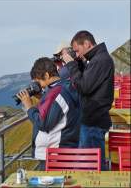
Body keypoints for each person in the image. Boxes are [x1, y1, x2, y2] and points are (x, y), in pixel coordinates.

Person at [62, 30, 114, 170]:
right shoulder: (98, 59)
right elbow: (87, 82)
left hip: (93, 122)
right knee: (90, 167)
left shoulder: (101, 60)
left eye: (77, 51)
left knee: (90, 169)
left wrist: (71, 64)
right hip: (93, 121)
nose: (77, 54)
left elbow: (84, 87)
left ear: (87, 43)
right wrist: (79, 64)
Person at [17, 57, 81, 170]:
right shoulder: (65, 86)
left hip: (55, 153)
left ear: (46, 75)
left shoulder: (56, 93)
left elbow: (43, 124)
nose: (39, 85)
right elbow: (57, 110)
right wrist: (43, 98)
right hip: (64, 149)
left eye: (39, 81)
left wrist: (29, 107)